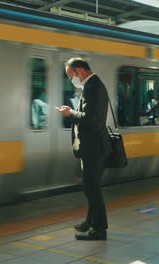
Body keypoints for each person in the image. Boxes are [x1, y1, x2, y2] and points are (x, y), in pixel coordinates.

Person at [56, 57, 111, 240]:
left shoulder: (92, 86)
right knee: (90, 186)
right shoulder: (94, 84)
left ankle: (99, 229)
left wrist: (69, 113)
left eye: (70, 75)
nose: (70, 79)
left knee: (92, 188)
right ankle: (90, 221)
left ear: (79, 71)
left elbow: (91, 119)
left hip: (93, 147)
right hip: (93, 146)